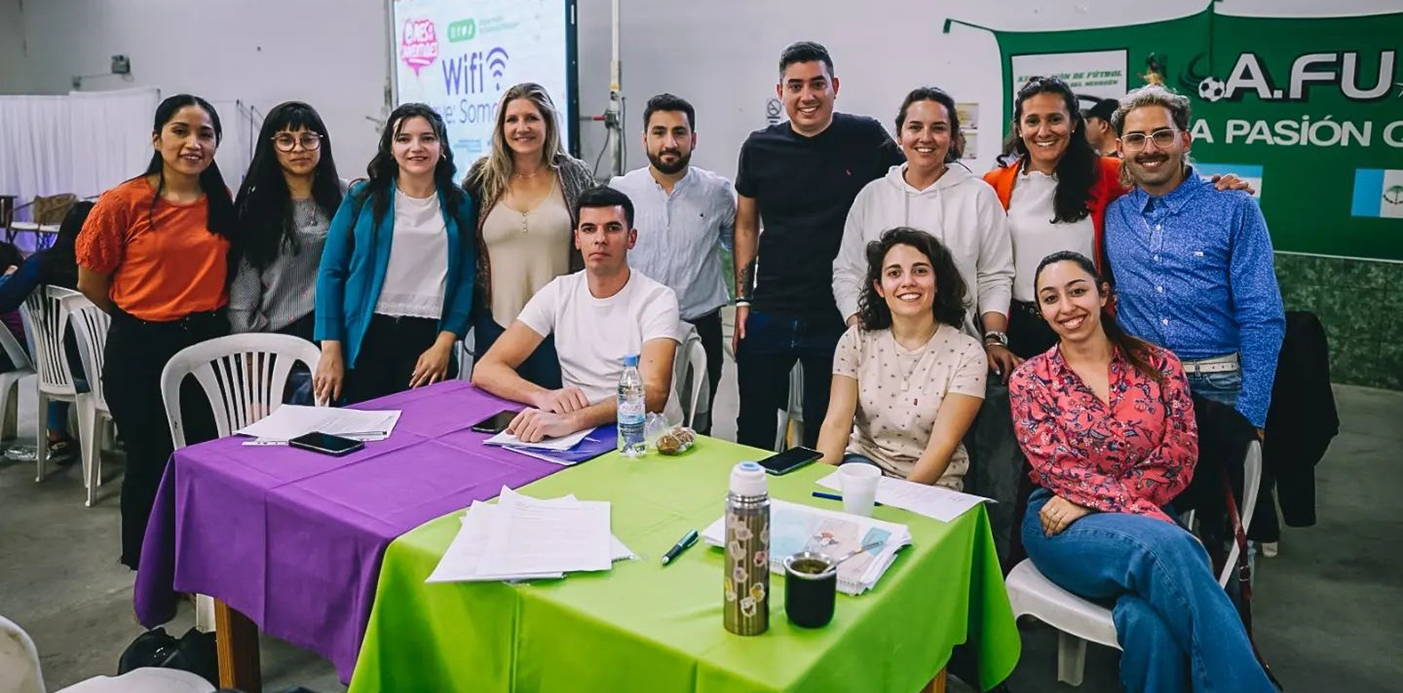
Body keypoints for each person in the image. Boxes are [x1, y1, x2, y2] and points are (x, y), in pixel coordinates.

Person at [1010, 251, 1276, 693]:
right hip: (1059, 524)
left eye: (1078, 291)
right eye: (1051, 298)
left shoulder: (1159, 365)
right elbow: (1057, 468)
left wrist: (1090, 498)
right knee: (1172, 547)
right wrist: (1089, 500)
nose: (1067, 307)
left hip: (1135, 516)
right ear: (1041, 311)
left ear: (1103, 294)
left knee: (1147, 620)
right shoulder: (1030, 380)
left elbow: (1179, 458)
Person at [76, 94, 236, 568]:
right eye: (180, 131)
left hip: (208, 343)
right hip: (140, 348)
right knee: (149, 459)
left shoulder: (220, 200)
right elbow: (90, 281)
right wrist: (141, 316)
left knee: (205, 455)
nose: (193, 143)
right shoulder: (123, 202)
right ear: (156, 138)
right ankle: (151, 569)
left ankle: (202, 561)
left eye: (205, 133)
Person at [733, 40, 904, 450]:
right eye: (795, 86)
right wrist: (742, 301)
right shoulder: (759, 147)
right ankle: (747, 503)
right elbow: (744, 225)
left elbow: (910, 179)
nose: (806, 96)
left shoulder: (866, 137)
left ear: (834, 86)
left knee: (825, 426)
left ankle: (809, 505)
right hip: (770, 306)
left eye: (817, 84)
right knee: (753, 423)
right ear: (780, 93)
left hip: (838, 310)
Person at [1105, 84, 1285, 433]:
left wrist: (1252, 416)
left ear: (1184, 141)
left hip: (1217, 386)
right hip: (1138, 385)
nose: (1149, 149)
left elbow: (1262, 315)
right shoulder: (1114, 216)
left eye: (1161, 135)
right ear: (1120, 149)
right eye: (1136, 138)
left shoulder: (1234, 207)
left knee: (1223, 489)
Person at [472, 186, 681, 443]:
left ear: (632, 238)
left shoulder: (658, 298)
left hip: (645, 435)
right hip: (577, 436)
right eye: (589, 229)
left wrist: (571, 420)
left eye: (613, 228)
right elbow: (486, 369)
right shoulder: (559, 292)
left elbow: (655, 392)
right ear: (577, 239)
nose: (600, 239)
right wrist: (543, 397)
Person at [313, 103, 476, 405]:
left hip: (429, 338)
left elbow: (466, 279)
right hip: (366, 335)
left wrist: (446, 342)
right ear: (390, 148)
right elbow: (331, 271)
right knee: (362, 438)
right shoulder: (361, 197)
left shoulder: (460, 203)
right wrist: (330, 347)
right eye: (404, 138)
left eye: (427, 138)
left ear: (441, 147)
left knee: (424, 441)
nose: (416, 147)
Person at [833, 86, 1013, 352]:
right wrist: (859, 332)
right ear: (899, 136)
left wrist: (995, 339)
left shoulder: (979, 196)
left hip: (959, 353)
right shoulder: (872, 196)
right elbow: (848, 273)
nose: (925, 138)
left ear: (952, 138)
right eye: (915, 127)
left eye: (938, 128)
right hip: (880, 354)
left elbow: (994, 276)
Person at [817, 228, 985, 489]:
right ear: (879, 288)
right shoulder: (855, 340)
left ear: (937, 281)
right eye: (894, 273)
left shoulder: (968, 353)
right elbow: (836, 424)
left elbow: (944, 444)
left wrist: (899, 500)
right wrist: (816, 485)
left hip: (934, 485)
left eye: (920, 271)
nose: (908, 281)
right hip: (863, 470)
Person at [609, 93, 734, 433]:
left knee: (697, 424)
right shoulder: (621, 191)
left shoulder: (718, 192)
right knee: (635, 419)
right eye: (659, 132)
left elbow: (739, 247)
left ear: (693, 139)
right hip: (637, 327)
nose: (669, 142)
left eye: (679, 133)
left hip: (700, 324)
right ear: (644, 138)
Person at [463, 83, 595, 388]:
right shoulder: (482, 177)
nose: (522, 128)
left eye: (531, 118)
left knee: (557, 420)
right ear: (501, 126)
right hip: (495, 326)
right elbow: (462, 247)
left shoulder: (575, 175)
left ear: (547, 122)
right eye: (512, 120)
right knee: (499, 425)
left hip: (560, 330)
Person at [231, 101, 344, 340]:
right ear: (271, 146)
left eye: (308, 138)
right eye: (285, 140)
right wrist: (247, 341)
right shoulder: (256, 204)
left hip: (337, 327)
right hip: (279, 332)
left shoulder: (347, 197)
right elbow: (244, 281)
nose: (298, 148)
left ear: (321, 142)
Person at [0, 203, 94, 457]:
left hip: (51, 365)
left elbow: (4, 301)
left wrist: (8, 278)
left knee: (61, 342)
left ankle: (56, 434)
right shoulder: (104, 268)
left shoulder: (40, 263)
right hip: (98, 368)